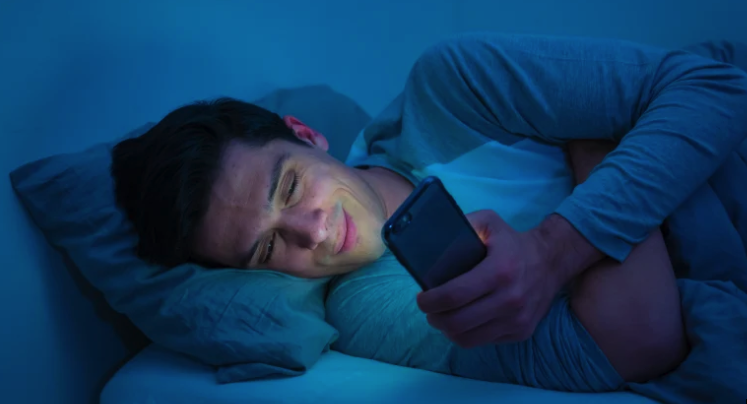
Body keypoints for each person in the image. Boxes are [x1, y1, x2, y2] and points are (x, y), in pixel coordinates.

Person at [111, 33, 747, 389]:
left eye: (290, 188)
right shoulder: (370, 309)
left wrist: (556, 249)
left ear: (306, 134)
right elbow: (637, 341)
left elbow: (715, 86)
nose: (312, 231)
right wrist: (599, 136)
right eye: (268, 248)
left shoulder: (451, 88)